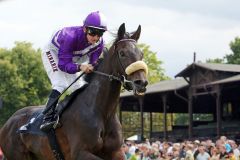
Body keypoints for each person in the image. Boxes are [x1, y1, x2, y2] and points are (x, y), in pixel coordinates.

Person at [40, 11, 107, 131]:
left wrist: (92, 66)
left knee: (80, 87)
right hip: (53, 53)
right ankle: (47, 117)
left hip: (74, 57)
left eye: (100, 33)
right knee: (61, 84)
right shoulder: (70, 36)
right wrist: (80, 67)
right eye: (93, 32)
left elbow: (93, 63)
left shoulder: (99, 43)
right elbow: (63, 65)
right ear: (85, 28)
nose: (96, 37)